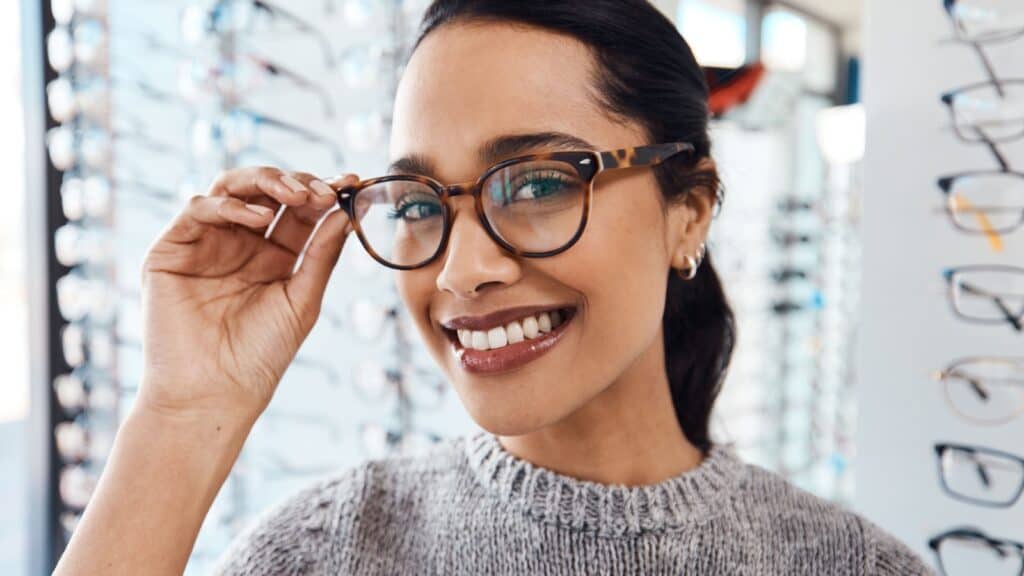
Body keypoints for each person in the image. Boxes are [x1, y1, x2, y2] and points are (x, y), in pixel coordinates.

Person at [53, 1, 934, 574]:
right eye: (419, 201)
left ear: (690, 211)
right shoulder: (324, 550)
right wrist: (180, 414)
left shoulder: (846, 564)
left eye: (541, 182)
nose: (461, 270)